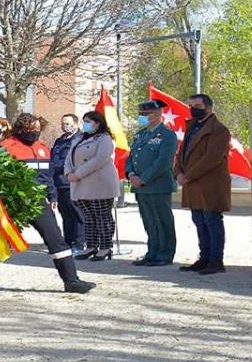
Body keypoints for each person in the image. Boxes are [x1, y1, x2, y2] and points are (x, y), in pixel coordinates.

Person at [0, 113, 95, 298]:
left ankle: (71, 281)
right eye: (30, 129)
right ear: (20, 129)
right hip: (11, 203)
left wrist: (52, 195)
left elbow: (47, 177)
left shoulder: (43, 148)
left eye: (38, 129)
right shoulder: (4, 147)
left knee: (56, 239)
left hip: (37, 201)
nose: (34, 133)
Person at [175, 94, 233, 275]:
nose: (193, 108)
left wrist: (188, 175)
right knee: (199, 221)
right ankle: (204, 258)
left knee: (212, 221)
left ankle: (216, 260)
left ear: (209, 108)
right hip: (193, 184)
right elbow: (182, 153)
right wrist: (178, 172)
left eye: (197, 105)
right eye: (191, 105)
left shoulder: (219, 130)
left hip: (210, 183)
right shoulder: (192, 127)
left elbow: (212, 158)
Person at [127, 99, 179, 267]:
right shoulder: (140, 135)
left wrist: (143, 178)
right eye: (140, 114)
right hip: (140, 187)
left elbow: (163, 161)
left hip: (157, 185)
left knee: (162, 220)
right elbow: (131, 158)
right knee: (149, 220)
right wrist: (131, 174)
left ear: (158, 114)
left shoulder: (167, 135)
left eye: (145, 114)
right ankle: (153, 252)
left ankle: (165, 253)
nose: (142, 117)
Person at [67, 111, 119, 261]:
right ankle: (90, 246)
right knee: (89, 217)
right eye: (84, 121)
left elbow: (100, 159)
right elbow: (68, 158)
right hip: (81, 183)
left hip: (99, 183)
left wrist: (78, 173)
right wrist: (69, 172)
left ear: (98, 123)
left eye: (89, 121)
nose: (85, 124)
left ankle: (105, 248)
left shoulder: (104, 138)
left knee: (102, 217)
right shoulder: (79, 139)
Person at [51, 114, 86, 253]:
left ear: (76, 124)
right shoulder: (60, 140)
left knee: (76, 213)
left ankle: (79, 242)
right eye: (63, 123)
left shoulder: (80, 139)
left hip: (72, 181)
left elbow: (74, 161)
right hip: (59, 183)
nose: (65, 126)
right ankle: (68, 240)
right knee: (65, 214)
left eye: (68, 124)